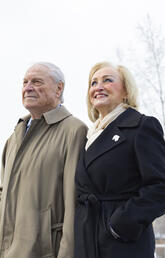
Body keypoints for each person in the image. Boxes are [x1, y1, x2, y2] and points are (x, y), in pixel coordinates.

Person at [74, 61, 165, 258]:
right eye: (93, 83)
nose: (98, 87)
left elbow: (160, 186)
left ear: (126, 91)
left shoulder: (142, 127)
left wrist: (121, 223)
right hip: (87, 239)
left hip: (123, 243)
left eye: (107, 80)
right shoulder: (87, 136)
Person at [0, 62, 87, 258]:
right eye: (25, 82)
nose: (28, 87)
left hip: (44, 252)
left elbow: (74, 202)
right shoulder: (13, 137)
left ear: (59, 88)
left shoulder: (74, 131)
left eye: (37, 82)